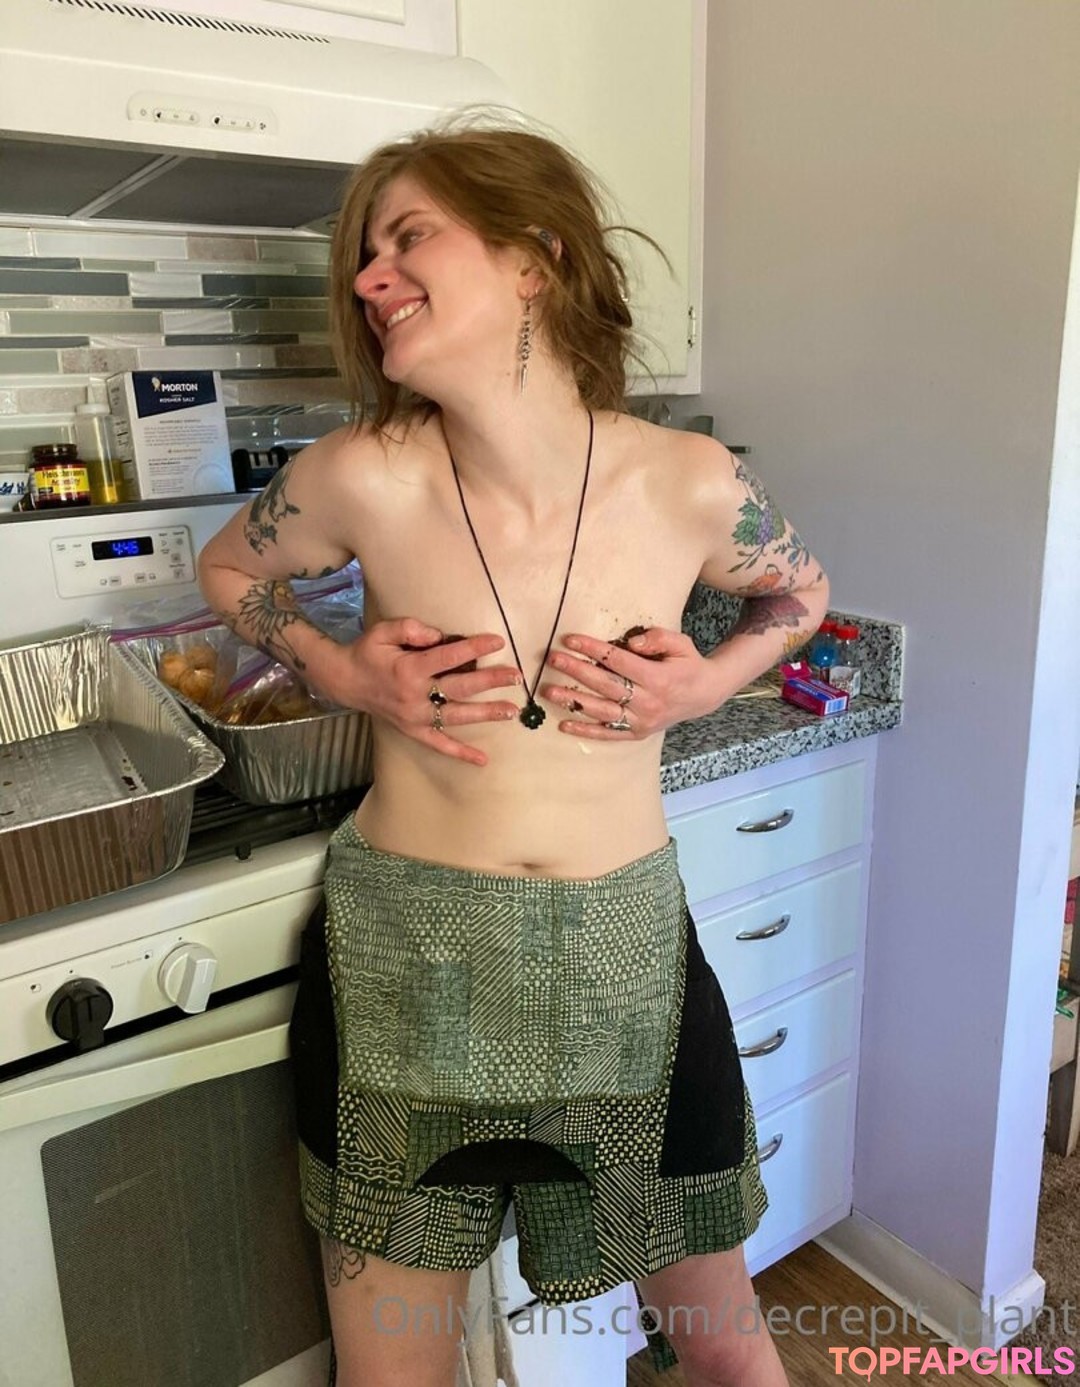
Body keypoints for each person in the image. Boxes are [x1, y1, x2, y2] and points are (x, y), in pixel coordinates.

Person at [197, 113, 828, 1387]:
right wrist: (340, 667)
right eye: (363, 258)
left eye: (407, 239)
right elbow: (227, 569)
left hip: (627, 964)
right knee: (395, 1373)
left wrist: (706, 681)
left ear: (535, 258)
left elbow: (800, 594)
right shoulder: (361, 475)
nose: (370, 279)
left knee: (727, 1351)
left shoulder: (693, 481)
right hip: (407, 964)